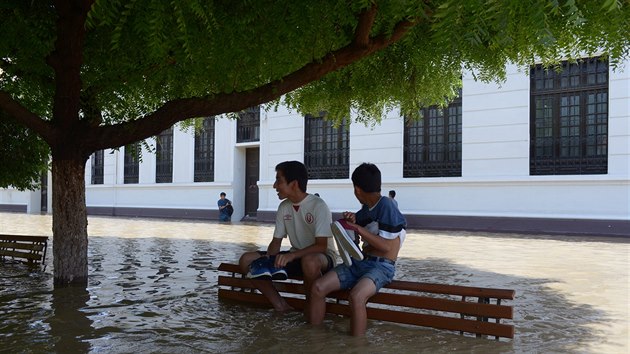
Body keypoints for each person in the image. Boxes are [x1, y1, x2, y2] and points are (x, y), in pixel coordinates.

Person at [309, 163, 406, 336]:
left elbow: (386, 247)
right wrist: (351, 220)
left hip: (381, 267)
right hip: (359, 263)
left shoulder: (387, 205)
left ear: (357, 189)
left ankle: (356, 346)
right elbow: (357, 224)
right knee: (318, 287)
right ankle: (314, 338)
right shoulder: (366, 209)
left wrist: (358, 229)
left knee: (356, 297)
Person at [238, 161, 338, 316]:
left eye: (279, 180)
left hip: (323, 258)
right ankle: (281, 306)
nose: (274, 186)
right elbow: (276, 243)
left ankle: (310, 307)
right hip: (295, 256)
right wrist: (267, 259)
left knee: (310, 262)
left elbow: (322, 246)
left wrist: (291, 256)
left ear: (294, 184)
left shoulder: (319, 206)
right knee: (246, 260)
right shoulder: (284, 207)